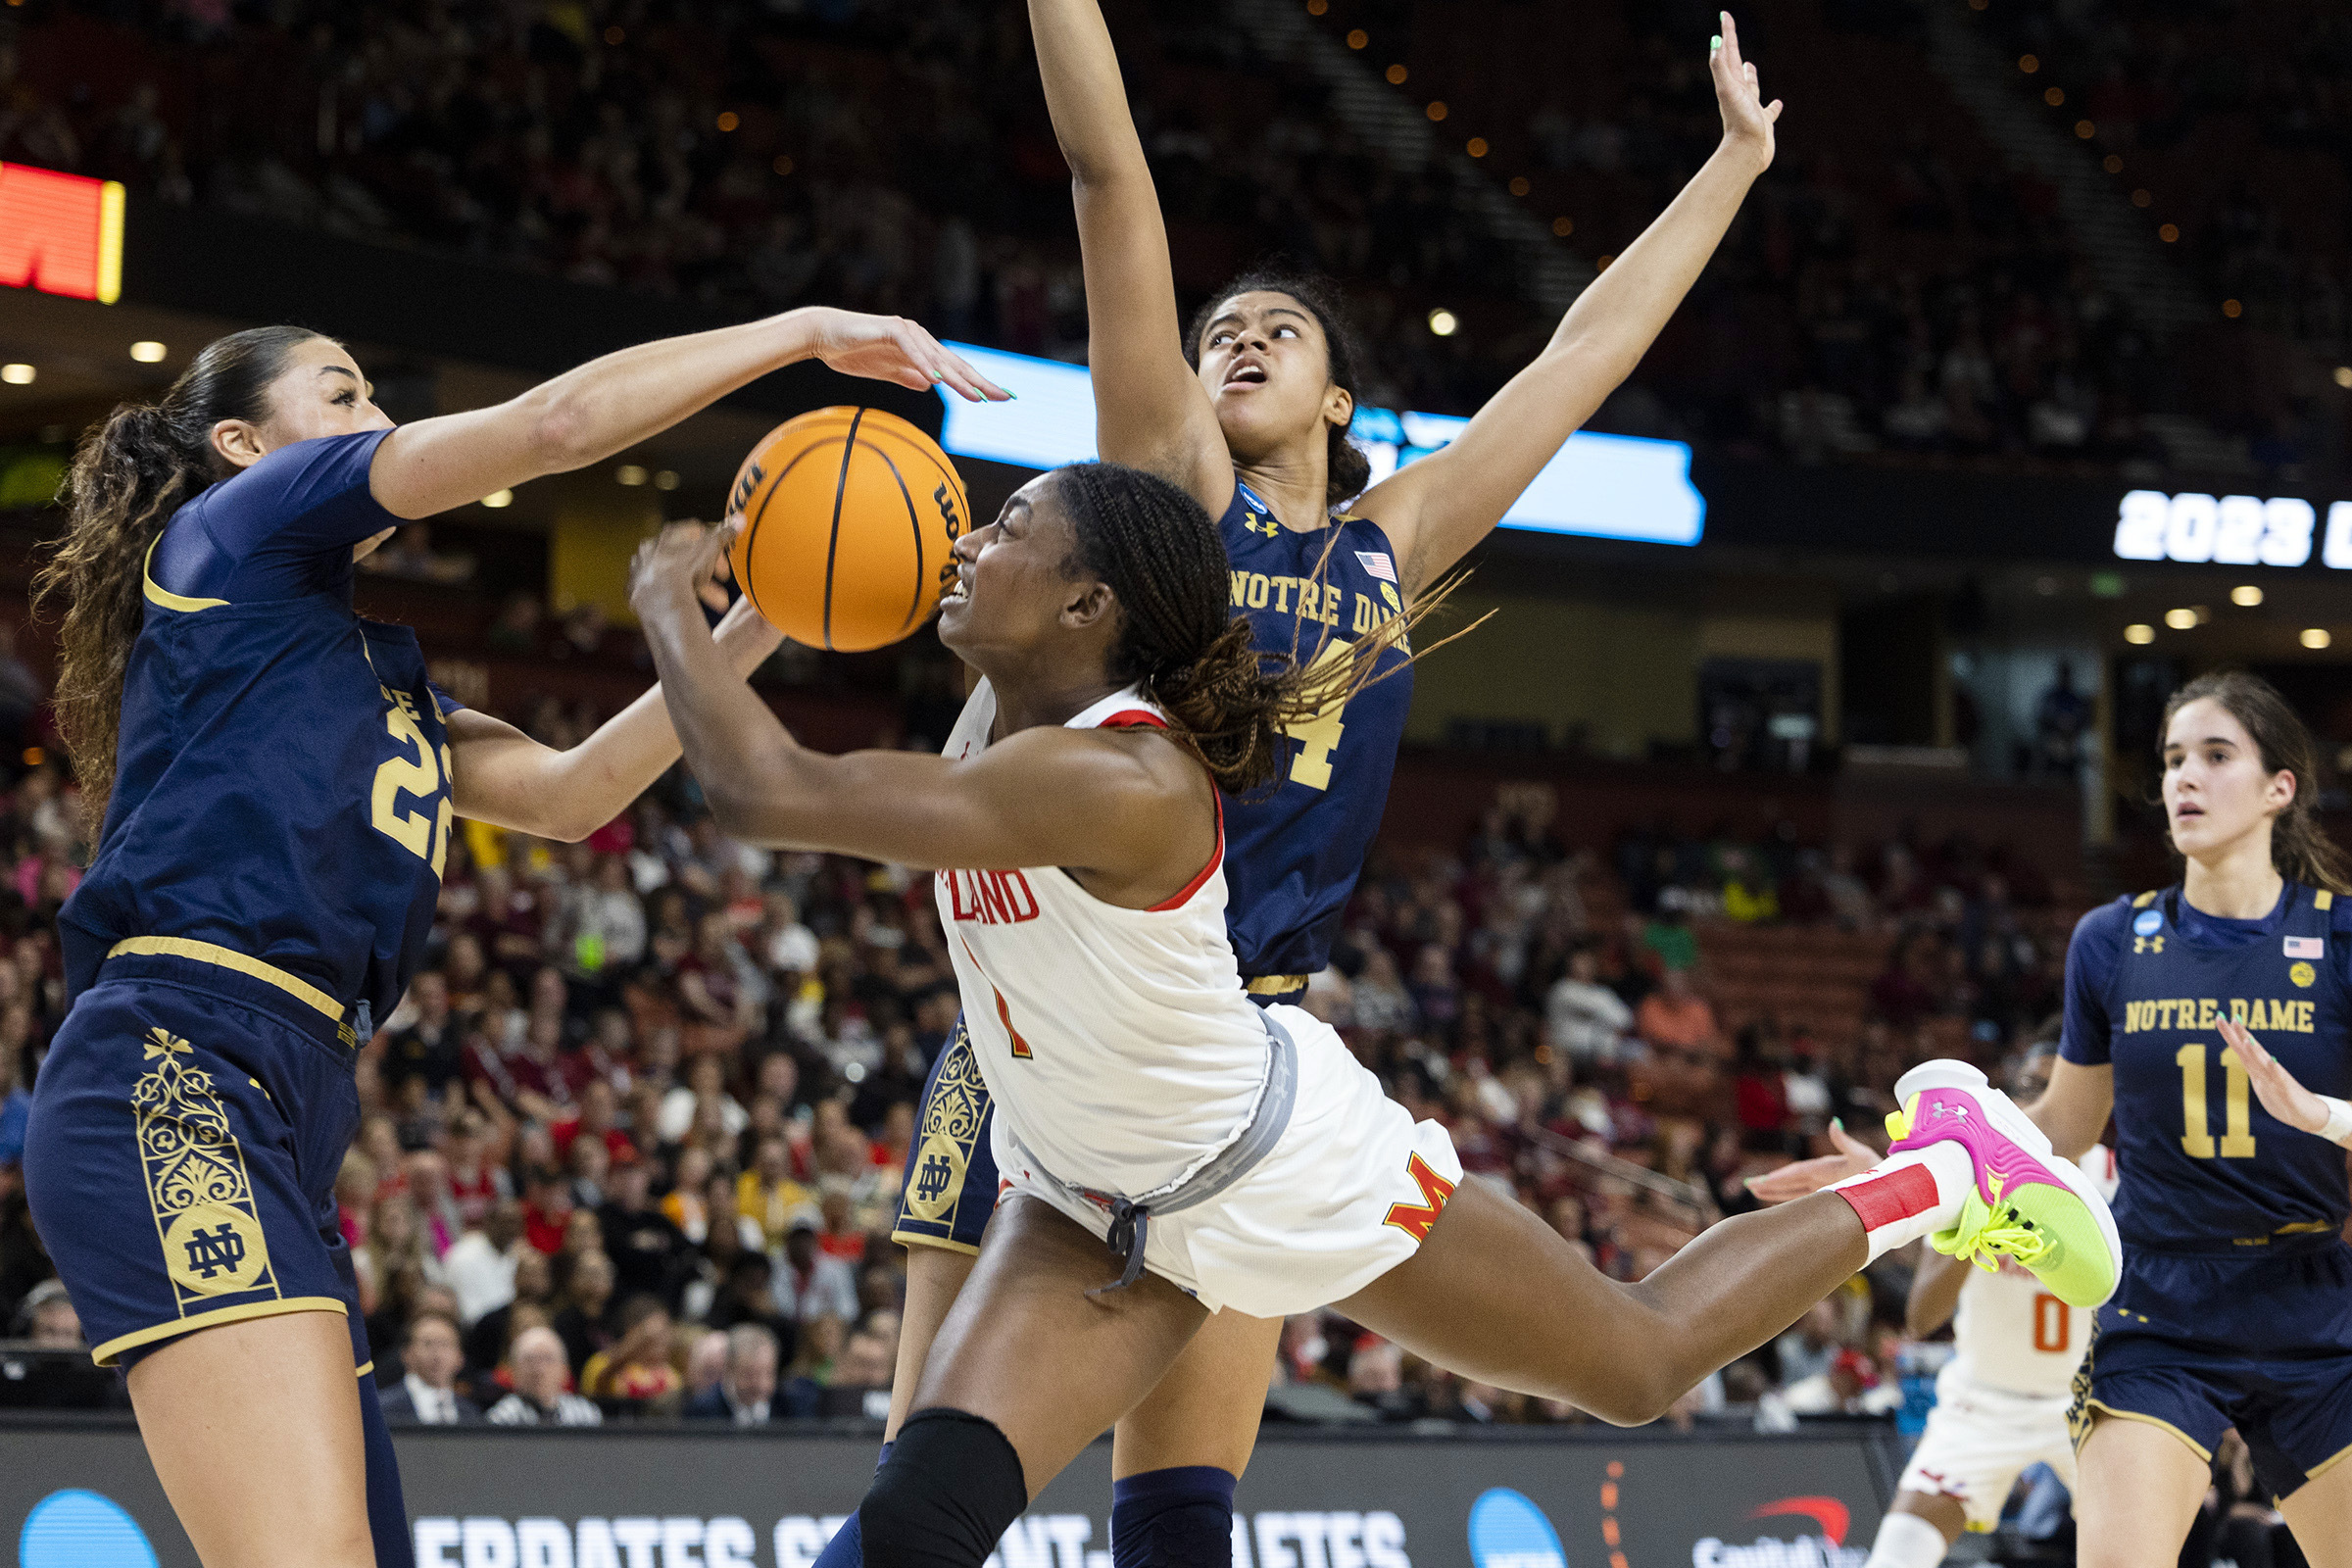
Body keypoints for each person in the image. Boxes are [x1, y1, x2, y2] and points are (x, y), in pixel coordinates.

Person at [627, 461, 2116, 1568]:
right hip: (1083, 1191)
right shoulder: (999, 721)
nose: (968, 537)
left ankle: (1947, 1172)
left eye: (1008, 525)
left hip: (1273, 1160)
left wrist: (668, 609)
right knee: (911, 1529)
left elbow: (772, 794)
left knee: (1639, 1363)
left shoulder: (1116, 775)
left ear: (1088, 603)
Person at [840, 11, 1801, 1567]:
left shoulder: (1391, 547)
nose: (1237, 338)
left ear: (1343, 401)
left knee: (1181, 1500)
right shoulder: (1165, 498)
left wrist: (1734, 166)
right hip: (1080, 1025)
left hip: (1248, 1053)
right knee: (930, 1484)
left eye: (1276, 330)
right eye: (1222, 328)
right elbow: (1106, 177)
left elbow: (1585, 355)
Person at [19, 310, 1002, 1568]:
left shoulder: (371, 673)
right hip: (172, 1067)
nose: (379, 422)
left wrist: (766, 604)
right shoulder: (238, 524)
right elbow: (555, 426)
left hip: (289, 1098)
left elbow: (577, 790)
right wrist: (804, 332)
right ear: (242, 443)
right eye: (345, 393)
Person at [2025, 671, 2352, 1567]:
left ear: (2280, 788)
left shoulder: (2340, 938)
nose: (2184, 780)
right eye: (2172, 760)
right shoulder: (2110, 940)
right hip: (2159, 1301)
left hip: (2314, 1298)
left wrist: (2319, 1114)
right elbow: (2064, 1125)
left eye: (2215, 756)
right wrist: (1925, 1160)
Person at [1752, 1043, 2123, 1567]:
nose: (2042, 1101)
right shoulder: (1969, 1167)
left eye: (2054, 1086)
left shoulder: (2114, 1178)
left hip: (2091, 1398)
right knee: (1896, 1558)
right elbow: (1922, 1317)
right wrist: (1975, 1214)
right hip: (1983, 1402)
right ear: (2005, 1101)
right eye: (2028, 1087)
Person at [485, 1325, 602, 1427]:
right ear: (513, 1371)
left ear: (564, 1370)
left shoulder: (586, 1414)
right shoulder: (500, 1419)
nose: (539, 1370)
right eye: (530, 1360)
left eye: (548, 1359)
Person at [378, 1310, 479, 1425]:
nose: (437, 1354)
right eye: (428, 1344)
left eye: (445, 1344)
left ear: (460, 1357)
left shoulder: (470, 1413)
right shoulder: (382, 1408)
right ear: (406, 1354)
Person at [685, 1322, 784, 1426]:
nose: (761, 1385)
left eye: (768, 1374)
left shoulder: (787, 1406)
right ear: (729, 1369)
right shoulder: (701, 1411)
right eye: (750, 1375)